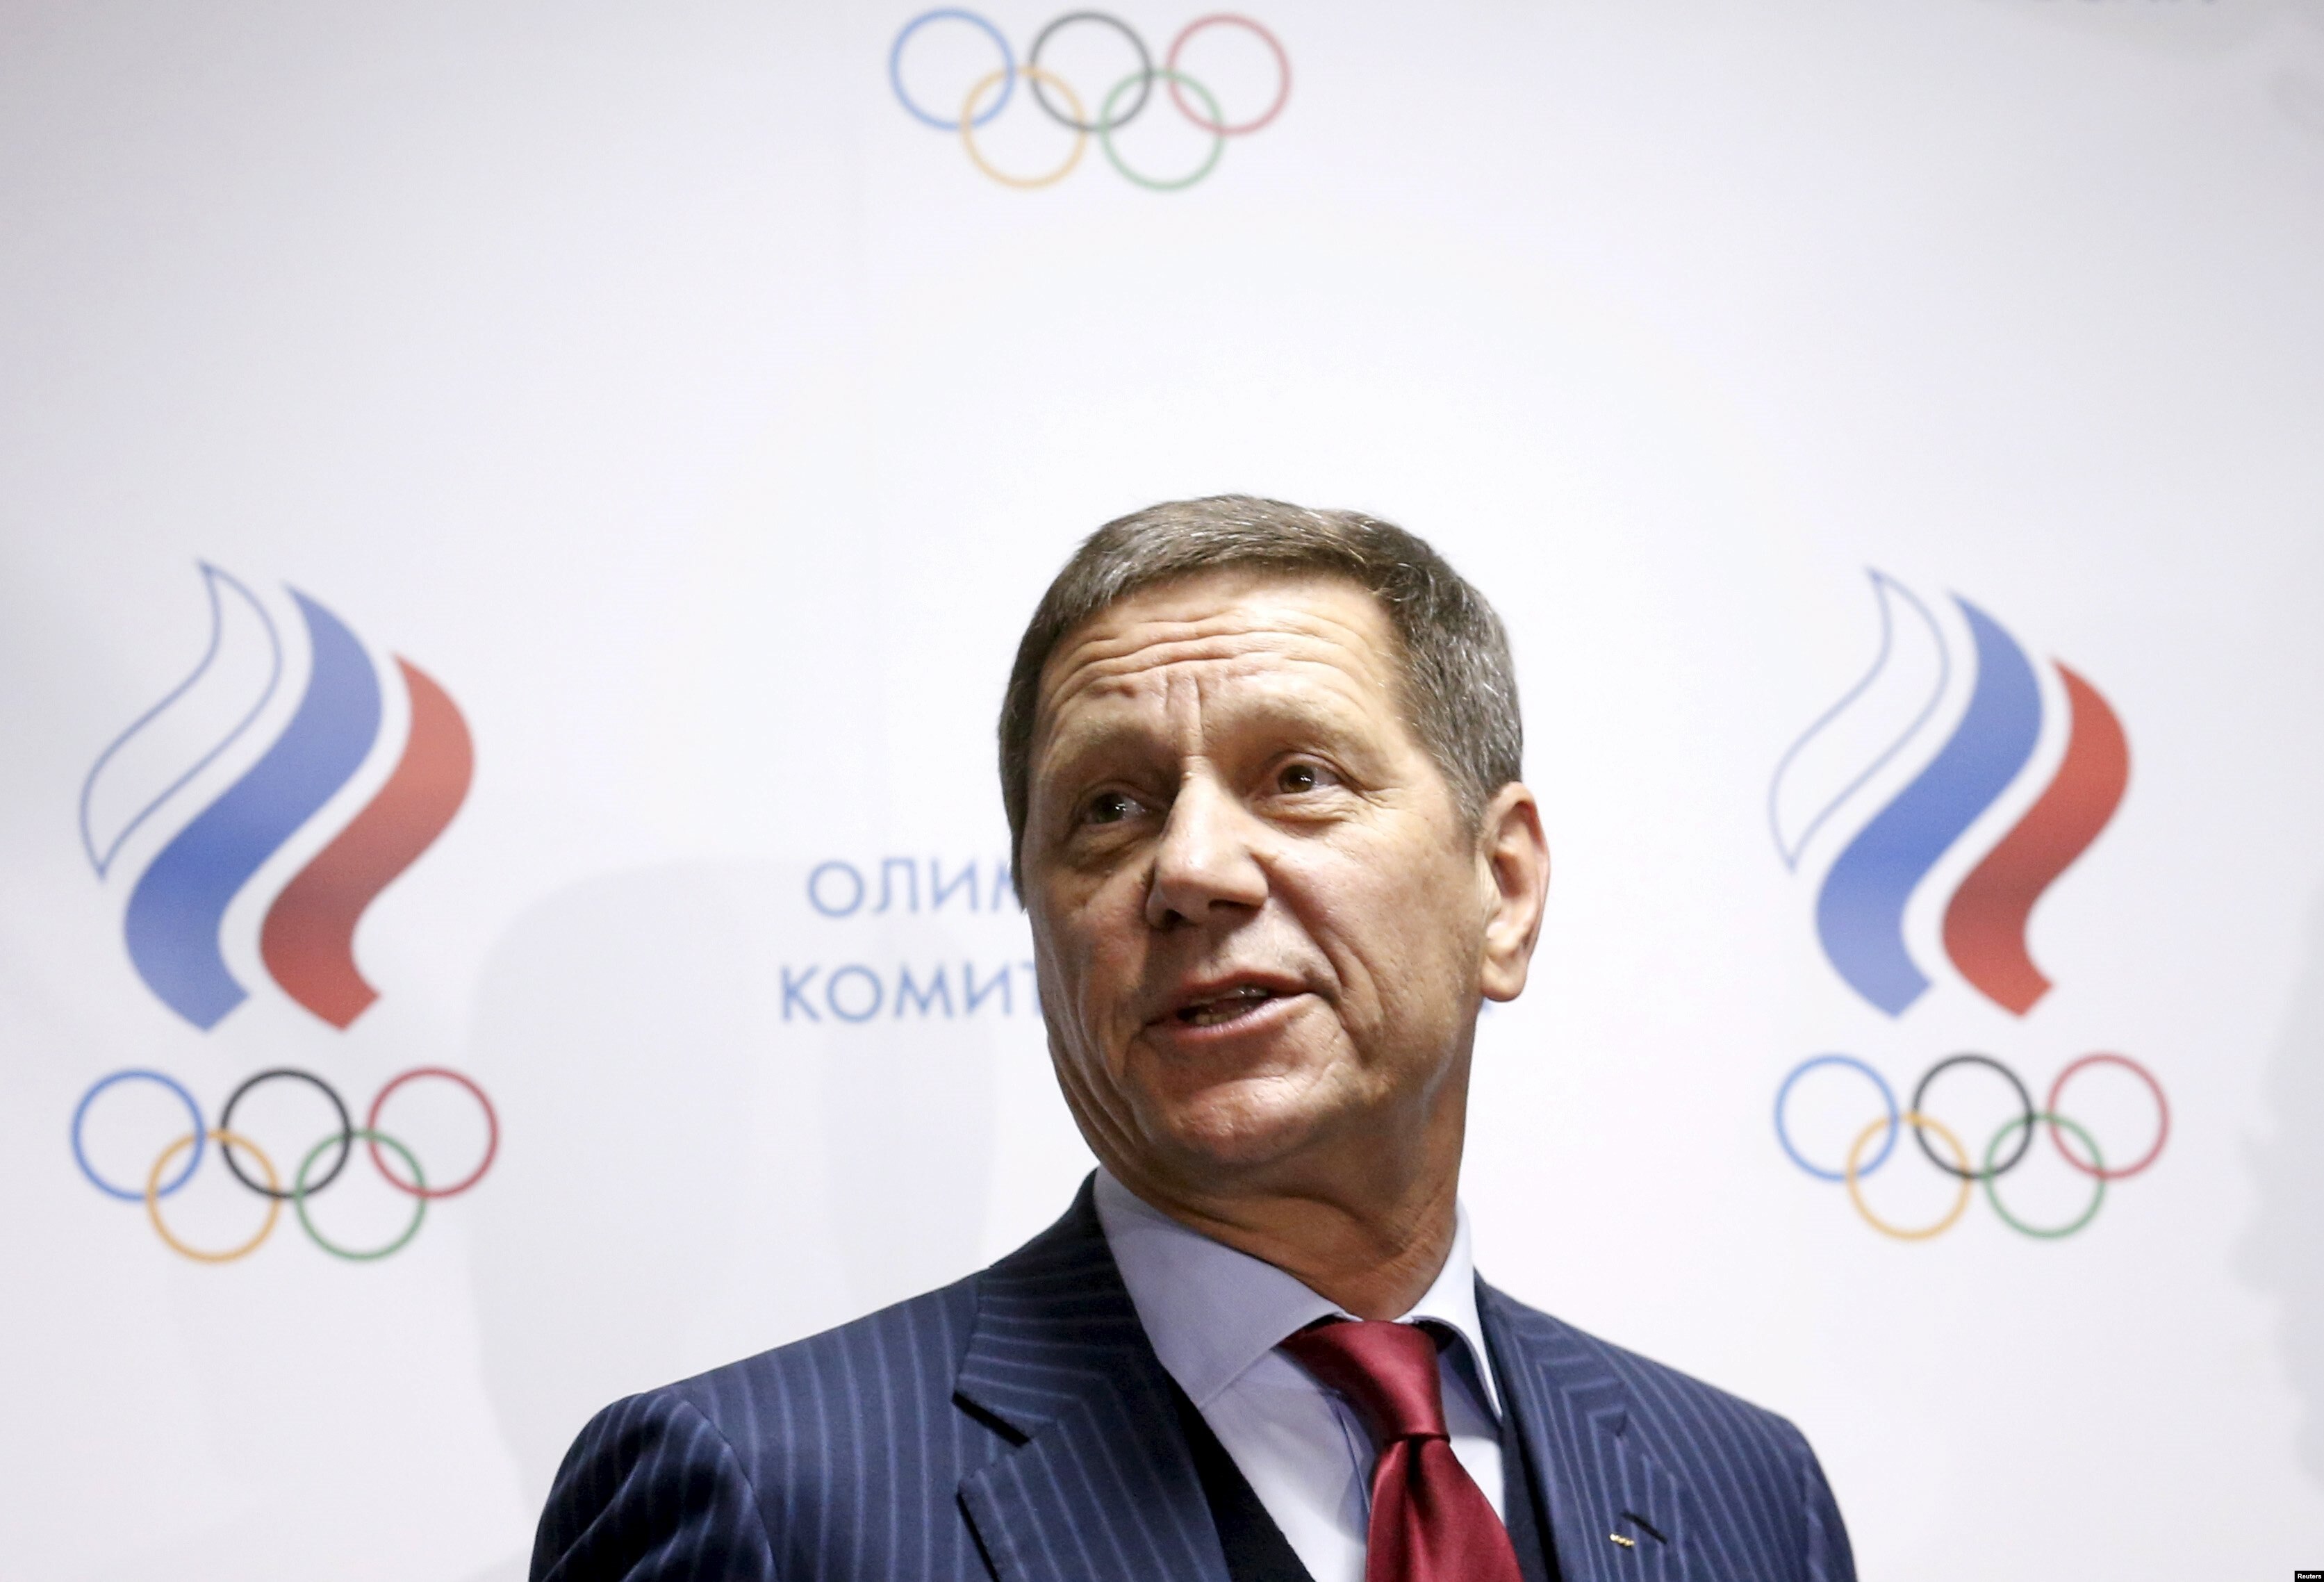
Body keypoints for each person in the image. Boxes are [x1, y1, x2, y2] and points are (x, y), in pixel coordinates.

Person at [531, 496, 1856, 1582]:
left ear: (1500, 889)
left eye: (1300, 778)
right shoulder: (761, 1495)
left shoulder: (1745, 1490)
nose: (1192, 869)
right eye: (1109, 807)